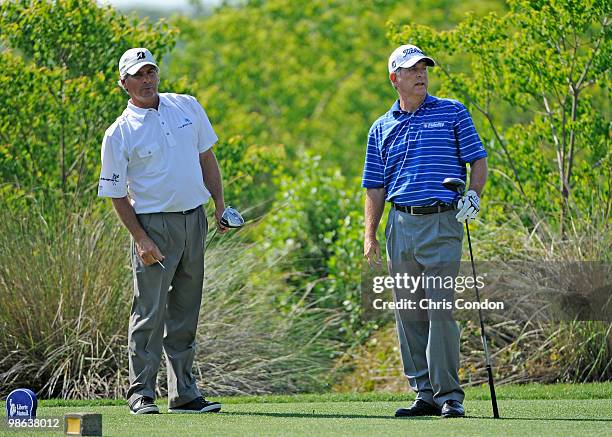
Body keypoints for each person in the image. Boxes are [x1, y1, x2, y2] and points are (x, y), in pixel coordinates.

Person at [98, 48, 229, 415]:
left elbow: (207, 158)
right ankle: (141, 393)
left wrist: (219, 206)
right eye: (137, 75)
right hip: (153, 226)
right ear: (123, 83)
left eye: (150, 72)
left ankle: (184, 393)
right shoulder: (119, 132)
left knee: (186, 311)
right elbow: (114, 192)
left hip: (194, 220)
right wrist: (140, 238)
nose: (146, 80)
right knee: (149, 313)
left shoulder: (186, 106)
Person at [362, 44, 488, 418]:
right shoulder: (381, 127)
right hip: (399, 224)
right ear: (394, 79)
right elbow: (374, 186)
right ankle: (425, 394)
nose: (421, 75)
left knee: (441, 312)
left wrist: (474, 196)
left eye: (424, 69)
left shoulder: (453, 111)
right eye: (412, 70)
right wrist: (370, 235)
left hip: (442, 221)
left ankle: (450, 395)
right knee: (409, 313)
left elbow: (477, 161)